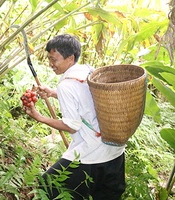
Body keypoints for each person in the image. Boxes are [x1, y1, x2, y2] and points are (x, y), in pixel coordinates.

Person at [23, 34, 126, 199]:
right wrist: (52, 93)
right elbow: (85, 101)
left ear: (70, 58)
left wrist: (40, 117)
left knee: (47, 187)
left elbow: (72, 126)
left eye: (53, 59)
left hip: (91, 154)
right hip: (115, 149)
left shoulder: (66, 85)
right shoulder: (88, 70)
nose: (50, 64)